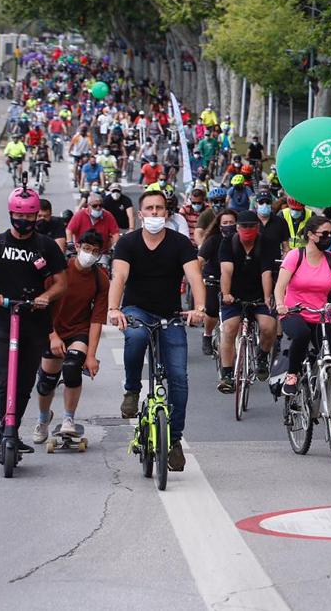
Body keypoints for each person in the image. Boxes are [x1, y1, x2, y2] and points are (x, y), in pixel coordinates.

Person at [109, 189, 206, 472]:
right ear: (140, 215)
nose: (154, 213)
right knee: (136, 336)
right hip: (136, 310)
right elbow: (120, 276)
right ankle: (131, 390)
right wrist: (115, 309)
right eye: (149, 209)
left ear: (167, 213)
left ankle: (174, 439)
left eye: (159, 209)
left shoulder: (180, 243)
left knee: (178, 377)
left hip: (171, 314)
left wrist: (199, 308)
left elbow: (194, 276)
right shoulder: (127, 243)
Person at [0, 187, 68, 453]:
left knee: (23, 382)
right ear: (10, 215)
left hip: (34, 322)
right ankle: (4, 430)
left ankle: (14, 426)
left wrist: (46, 296)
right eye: (18, 216)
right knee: (4, 379)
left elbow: (61, 282)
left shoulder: (45, 245)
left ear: (36, 217)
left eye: (29, 217)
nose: (23, 222)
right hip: (4, 320)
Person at [33, 230, 108, 444]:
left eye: (95, 252)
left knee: (73, 367)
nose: (90, 255)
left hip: (78, 330)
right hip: (51, 328)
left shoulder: (100, 279)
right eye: (86, 249)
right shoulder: (59, 271)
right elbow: (42, 305)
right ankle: (43, 418)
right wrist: (53, 336)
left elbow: (97, 320)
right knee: (46, 382)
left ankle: (68, 419)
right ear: (77, 247)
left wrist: (91, 356)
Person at [274, 216, 331, 396]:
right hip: (294, 312)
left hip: (321, 315)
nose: (329, 237)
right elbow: (280, 286)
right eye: (325, 234)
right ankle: (292, 375)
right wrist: (281, 304)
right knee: (302, 334)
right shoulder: (295, 256)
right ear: (311, 235)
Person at [217, 210, 278, 392]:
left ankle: (262, 357)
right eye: (244, 226)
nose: (248, 229)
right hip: (233, 297)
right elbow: (226, 270)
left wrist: (268, 298)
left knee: (269, 326)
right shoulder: (228, 243)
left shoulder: (266, 243)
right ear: (237, 228)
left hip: (259, 296)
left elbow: (266, 273)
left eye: (252, 226)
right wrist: (226, 293)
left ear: (258, 227)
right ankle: (227, 374)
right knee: (229, 329)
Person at [197, 209, 236, 358]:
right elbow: (199, 260)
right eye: (225, 223)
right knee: (212, 310)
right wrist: (198, 278)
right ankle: (207, 335)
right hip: (213, 278)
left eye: (232, 222)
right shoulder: (213, 240)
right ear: (219, 226)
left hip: (233, 280)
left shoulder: (240, 240)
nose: (228, 225)